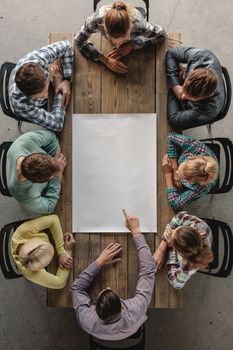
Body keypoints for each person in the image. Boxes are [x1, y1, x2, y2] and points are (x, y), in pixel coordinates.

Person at [70, 209, 156, 341]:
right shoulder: (136, 310)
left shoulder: (86, 320)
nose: (109, 287)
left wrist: (99, 262)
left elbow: (76, 288)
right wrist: (136, 232)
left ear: (95, 308)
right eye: (111, 291)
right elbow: (148, 271)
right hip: (131, 328)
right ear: (122, 306)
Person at [75, 1, 166, 74]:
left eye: (123, 40)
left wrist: (132, 44)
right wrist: (104, 59)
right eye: (113, 41)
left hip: (134, 18)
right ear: (104, 29)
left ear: (131, 28)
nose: (117, 46)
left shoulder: (139, 24)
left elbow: (161, 34)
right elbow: (78, 41)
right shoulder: (95, 21)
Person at [9, 41, 73, 131]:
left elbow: (66, 45)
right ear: (28, 95)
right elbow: (57, 124)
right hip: (27, 108)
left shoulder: (35, 59)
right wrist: (58, 89)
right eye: (42, 96)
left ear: (43, 73)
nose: (47, 96)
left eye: (46, 91)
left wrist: (67, 79)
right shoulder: (22, 106)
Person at [6, 129, 66, 214]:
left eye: (50, 158)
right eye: (50, 176)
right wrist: (57, 177)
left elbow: (51, 137)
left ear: (35, 153)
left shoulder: (25, 141)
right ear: (34, 182)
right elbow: (49, 207)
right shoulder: (24, 195)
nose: (52, 176)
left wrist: (55, 161)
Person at [166, 47, 226, 129]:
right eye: (184, 91)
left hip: (205, 110)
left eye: (189, 98)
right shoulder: (203, 55)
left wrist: (173, 87)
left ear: (210, 94)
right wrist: (175, 85)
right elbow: (171, 53)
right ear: (191, 72)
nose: (183, 96)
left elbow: (174, 120)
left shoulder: (208, 110)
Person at [11, 214, 74, 289]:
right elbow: (60, 283)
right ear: (37, 269)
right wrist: (68, 251)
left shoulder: (23, 231)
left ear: (35, 240)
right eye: (45, 264)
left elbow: (54, 219)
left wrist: (61, 251)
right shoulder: (30, 273)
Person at [154, 211, 213, 289]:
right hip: (206, 234)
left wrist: (171, 248)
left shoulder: (188, 267)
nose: (172, 230)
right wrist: (162, 248)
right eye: (177, 229)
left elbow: (175, 284)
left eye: (173, 232)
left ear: (179, 252)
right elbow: (179, 216)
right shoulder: (196, 226)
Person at [163, 132, 219, 209]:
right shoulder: (196, 147)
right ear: (190, 157)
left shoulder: (200, 189)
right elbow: (171, 137)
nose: (177, 173)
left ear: (193, 182)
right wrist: (174, 168)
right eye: (182, 167)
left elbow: (175, 204)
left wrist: (168, 175)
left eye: (185, 178)